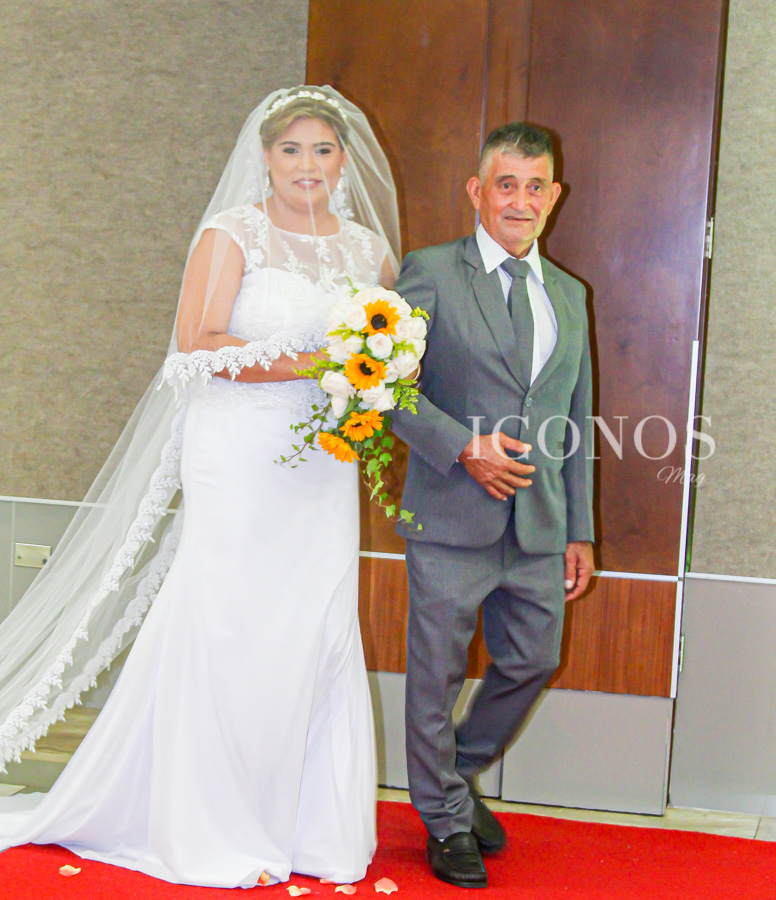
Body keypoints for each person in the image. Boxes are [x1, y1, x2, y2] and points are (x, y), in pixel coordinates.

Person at [0, 86, 400, 887]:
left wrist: (375, 383)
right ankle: (208, 821)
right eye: (292, 150)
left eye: (323, 150)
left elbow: (383, 350)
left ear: (344, 161)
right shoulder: (232, 233)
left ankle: (306, 829)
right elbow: (195, 347)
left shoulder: (370, 253)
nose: (308, 165)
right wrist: (311, 363)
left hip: (323, 463)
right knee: (231, 621)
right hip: (238, 453)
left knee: (315, 624)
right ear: (266, 157)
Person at [391, 122, 595, 889]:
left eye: (535, 186)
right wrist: (461, 446)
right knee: (437, 675)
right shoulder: (432, 272)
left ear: (554, 196)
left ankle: (452, 775)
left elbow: (575, 420)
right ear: (477, 191)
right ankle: (446, 820)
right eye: (506, 184)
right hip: (450, 514)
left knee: (533, 660)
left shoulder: (570, 295)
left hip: (539, 525)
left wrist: (579, 529)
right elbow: (385, 387)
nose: (520, 200)